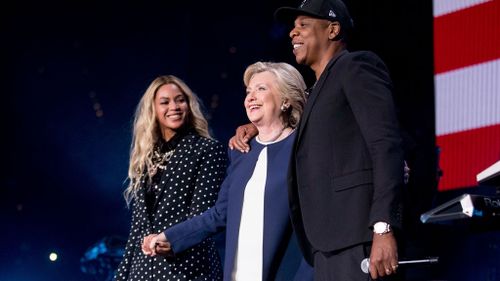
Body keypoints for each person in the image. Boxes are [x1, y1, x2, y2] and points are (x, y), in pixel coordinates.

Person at [229, 0, 406, 280]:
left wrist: (383, 227)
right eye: (292, 27)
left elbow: (386, 145)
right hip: (324, 246)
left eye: (303, 25)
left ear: (333, 29)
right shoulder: (316, 92)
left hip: (359, 238)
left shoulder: (355, 66)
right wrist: (256, 129)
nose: (292, 33)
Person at [141, 62, 313, 281]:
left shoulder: (304, 148)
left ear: (286, 100)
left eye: (261, 88)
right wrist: (169, 236)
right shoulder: (242, 151)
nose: (251, 96)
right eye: (248, 91)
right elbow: (220, 214)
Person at [114, 75, 227, 281]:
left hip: (188, 269)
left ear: (189, 105)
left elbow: (203, 218)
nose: (174, 107)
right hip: (143, 272)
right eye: (165, 102)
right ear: (153, 111)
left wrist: (168, 241)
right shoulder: (145, 158)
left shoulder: (207, 150)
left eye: (180, 100)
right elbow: (137, 230)